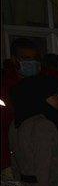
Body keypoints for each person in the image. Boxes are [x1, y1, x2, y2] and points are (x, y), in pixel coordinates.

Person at [8, 74, 58, 186]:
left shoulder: (16, 122)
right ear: (41, 98)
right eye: (55, 97)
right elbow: (44, 171)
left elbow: (15, 167)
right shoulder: (43, 125)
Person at [2, 38, 42, 175]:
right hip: (11, 156)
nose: (30, 62)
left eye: (33, 58)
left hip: (39, 152)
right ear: (14, 60)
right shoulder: (5, 86)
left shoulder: (43, 83)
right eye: (25, 58)